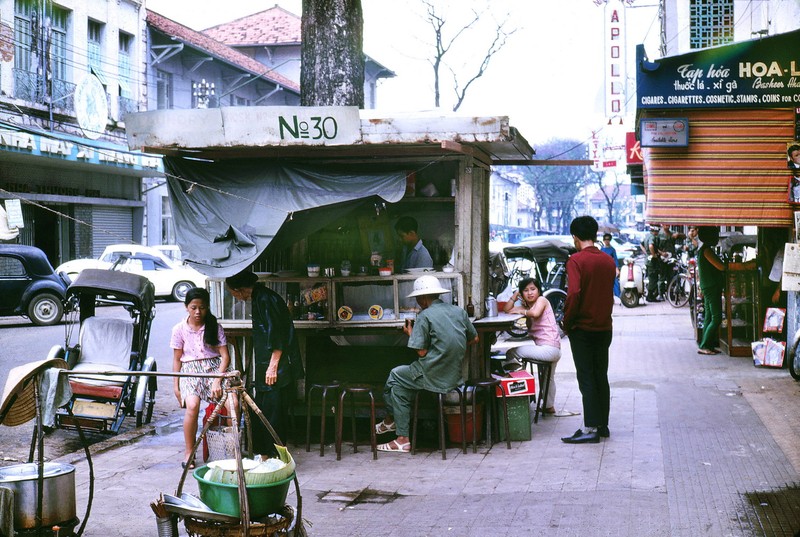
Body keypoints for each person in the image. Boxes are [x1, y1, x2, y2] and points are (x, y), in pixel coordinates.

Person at [374, 275, 478, 452]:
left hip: (433, 374)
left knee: (394, 375)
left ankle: (392, 421)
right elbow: (474, 338)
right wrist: (449, 349)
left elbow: (421, 351)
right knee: (399, 389)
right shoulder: (458, 311)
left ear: (422, 298)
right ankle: (402, 438)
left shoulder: (425, 315)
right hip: (454, 376)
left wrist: (410, 333)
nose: (418, 301)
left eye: (417, 298)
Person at [225, 270, 303, 456]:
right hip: (267, 366)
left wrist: (273, 367)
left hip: (276, 367)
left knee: (273, 414)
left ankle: (275, 457)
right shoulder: (261, 297)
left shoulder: (266, 300)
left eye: (232, 292)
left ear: (240, 290)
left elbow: (277, 335)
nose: (233, 295)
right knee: (266, 410)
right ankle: (266, 455)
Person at [560, 216, 616, 444]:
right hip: (604, 327)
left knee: (586, 377)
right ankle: (602, 424)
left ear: (575, 236)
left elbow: (573, 294)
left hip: (582, 328)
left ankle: (590, 427)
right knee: (600, 374)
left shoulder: (576, 261)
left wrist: (567, 321)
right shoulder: (608, 261)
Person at [170, 287, 235, 468]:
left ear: (208, 307)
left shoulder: (214, 326)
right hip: (191, 371)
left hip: (216, 368)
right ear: (186, 307)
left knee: (233, 404)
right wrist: (176, 387)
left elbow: (225, 356)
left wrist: (217, 379)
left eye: (203, 307)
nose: (198, 312)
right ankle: (189, 451)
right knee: (192, 405)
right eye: (194, 307)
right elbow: (176, 359)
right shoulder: (179, 329)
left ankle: (230, 449)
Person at [503, 277, 562, 414]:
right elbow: (507, 309)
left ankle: (518, 386)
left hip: (549, 349)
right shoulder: (526, 307)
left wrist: (520, 311)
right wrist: (515, 295)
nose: (530, 293)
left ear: (539, 290)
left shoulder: (542, 300)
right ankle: (548, 407)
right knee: (548, 377)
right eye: (525, 290)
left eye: (533, 289)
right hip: (551, 349)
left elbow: (535, 314)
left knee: (511, 353)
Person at [696, 226, 726, 355]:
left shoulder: (703, 250)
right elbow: (721, 267)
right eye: (716, 235)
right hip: (711, 287)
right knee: (716, 317)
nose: (717, 238)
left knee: (709, 316)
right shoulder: (707, 251)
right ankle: (704, 346)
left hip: (708, 286)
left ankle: (705, 344)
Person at [643, 224, 662, 302]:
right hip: (652, 261)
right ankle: (650, 296)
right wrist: (653, 255)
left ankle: (651, 295)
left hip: (648, 260)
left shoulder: (647, 236)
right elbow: (651, 246)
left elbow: (642, 245)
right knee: (653, 278)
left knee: (652, 277)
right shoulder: (652, 237)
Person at [600, 233, 621, 298]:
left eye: (608, 239)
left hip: (611, 268)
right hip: (603, 268)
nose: (607, 241)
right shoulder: (601, 249)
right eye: (605, 239)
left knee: (615, 282)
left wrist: (617, 269)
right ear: (603, 240)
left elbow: (615, 260)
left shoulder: (612, 249)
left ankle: (618, 296)